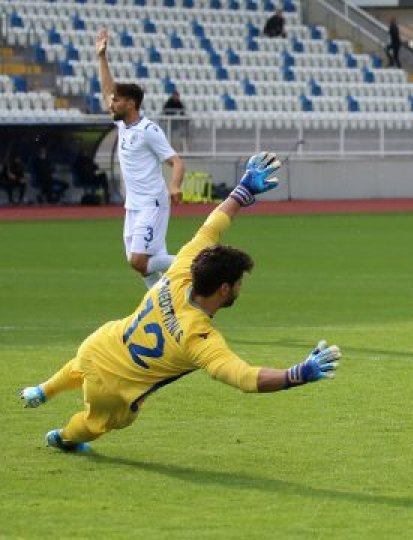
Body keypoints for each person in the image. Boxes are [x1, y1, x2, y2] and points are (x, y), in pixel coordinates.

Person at [20, 152, 344, 453]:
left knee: (81, 362)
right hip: (115, 391)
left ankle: (44, 389)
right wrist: (297, 374)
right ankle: (62, 439)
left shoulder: (182, 270)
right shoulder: (198, 338)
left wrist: (242, 191)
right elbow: (245, 378)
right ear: (223, 289)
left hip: (101, 343)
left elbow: (211, 227)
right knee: (95, 424)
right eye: (239, 284)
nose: (241, 289)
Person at [97, 29, 185, 289]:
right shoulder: (124, 126)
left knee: (138, 260)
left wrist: (175, 186)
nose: (111, 104)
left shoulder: (149, 130)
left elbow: (176, 161)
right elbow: (105, 90)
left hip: (152, 203)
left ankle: (195, 263)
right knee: (144, 265)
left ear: (131, 104)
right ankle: (163, 307)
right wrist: (102, 57)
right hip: (134, 205)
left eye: (117, 101)